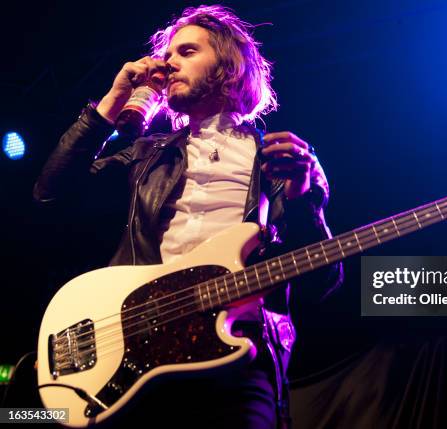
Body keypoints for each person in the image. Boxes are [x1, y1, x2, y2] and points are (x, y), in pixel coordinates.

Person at [33, 4, 342, 428]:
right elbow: (50, 194)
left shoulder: (281, 161)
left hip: (236, 358)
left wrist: (305, 197)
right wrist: (113, 99)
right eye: (169, 53)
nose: (168, 63)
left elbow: (319, 284)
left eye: (187, 51)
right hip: (141, 349)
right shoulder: (146, 154)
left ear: (229, 65)